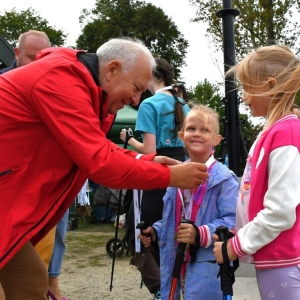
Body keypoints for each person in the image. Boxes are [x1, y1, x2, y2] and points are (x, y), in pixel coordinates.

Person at [0, 37, 209, 299]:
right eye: (135, 88)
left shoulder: (78, 85)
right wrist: (169, 175)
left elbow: (99, 148)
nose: (135, 100)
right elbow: (98, 160)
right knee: (29, 283)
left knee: (30, 282)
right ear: (111, 69)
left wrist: (147, 160)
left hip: (7, 202)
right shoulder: (60, 79)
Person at [213, 45, 300, 299]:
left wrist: (236, 246)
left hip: (282, 260)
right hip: (274, 258)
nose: (243, 96)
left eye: (247, 88)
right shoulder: (274, 132)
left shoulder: (286, 134)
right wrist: (239, 232)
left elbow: (280, 211)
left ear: (270, 85)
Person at [139, 104, 239, 299]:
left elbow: (233, 221)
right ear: (181, 135)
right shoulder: (175, 175)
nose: (197, 134)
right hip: (175, 263)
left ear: (217, 140)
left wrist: (199, 234)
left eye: (205, 130)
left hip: (208, 267)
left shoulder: (225, 179)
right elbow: (172, 219)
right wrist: (156, 232)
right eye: (191, 129)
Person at [120, 57, 190, 299]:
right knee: (170, 228)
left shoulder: (149, 105)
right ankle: (173, 286)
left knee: (138, 231)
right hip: (181, 168)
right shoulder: (182, 103)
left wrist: (128, 140)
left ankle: (161, 289)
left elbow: (149, 151)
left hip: (157, 170)